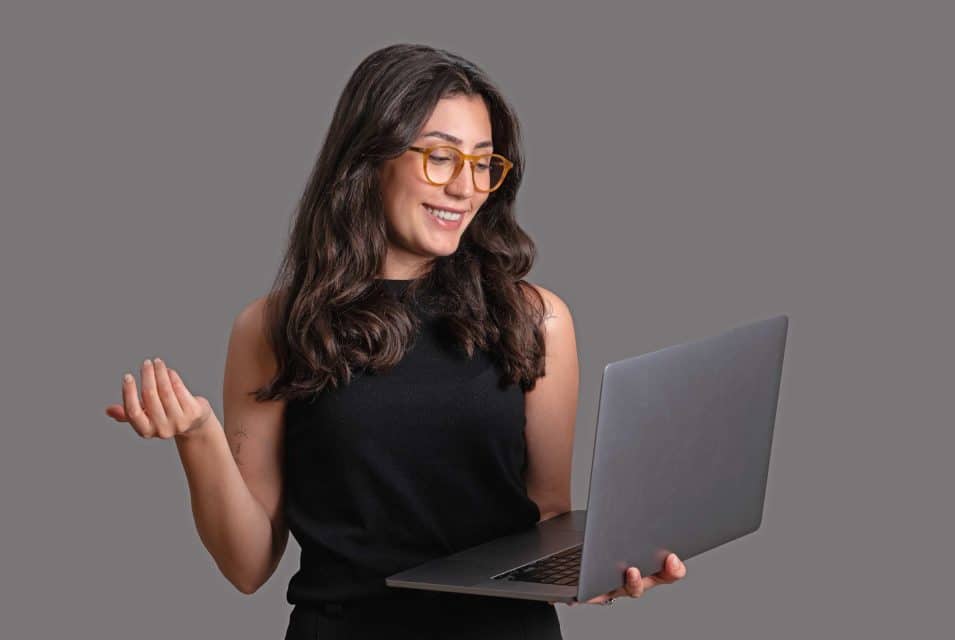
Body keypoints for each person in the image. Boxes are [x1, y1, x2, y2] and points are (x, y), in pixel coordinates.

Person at [104, 43, 686, 639]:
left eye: (485, 163)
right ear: (370, 156)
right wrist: (199, 437)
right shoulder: (275, 326)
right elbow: (247, 566)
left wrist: (604, 568)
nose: (466, 187)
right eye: (441, 157)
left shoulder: (536, 320)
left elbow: (547, 517)